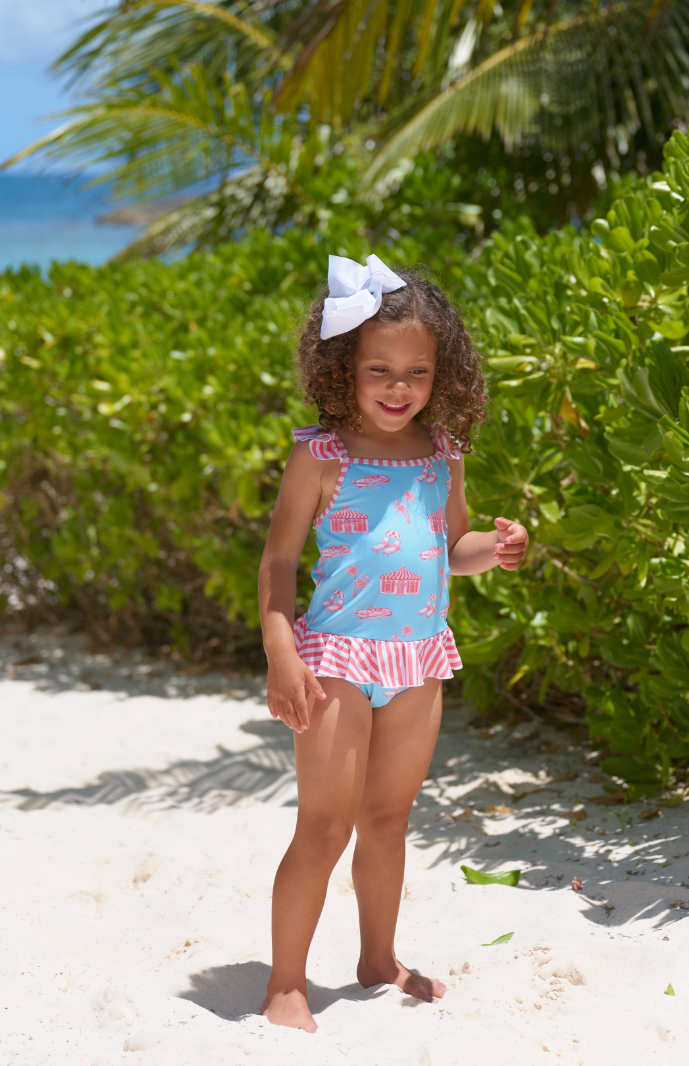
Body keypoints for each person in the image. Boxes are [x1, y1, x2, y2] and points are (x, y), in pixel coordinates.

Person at [258, 254, 530, 1032]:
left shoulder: (442, 454)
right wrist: (282, 649)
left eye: (416, 371)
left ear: (441, 375)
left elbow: (451, 548)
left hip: (416, 661)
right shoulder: (321, 454)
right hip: (337, 659)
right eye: (378, 367)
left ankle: (378, 959)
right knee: (324, 826)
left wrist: (496, 546)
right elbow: (278, 561)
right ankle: (286, 982)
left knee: (387, 821)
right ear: (343, 366)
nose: (397, 386)